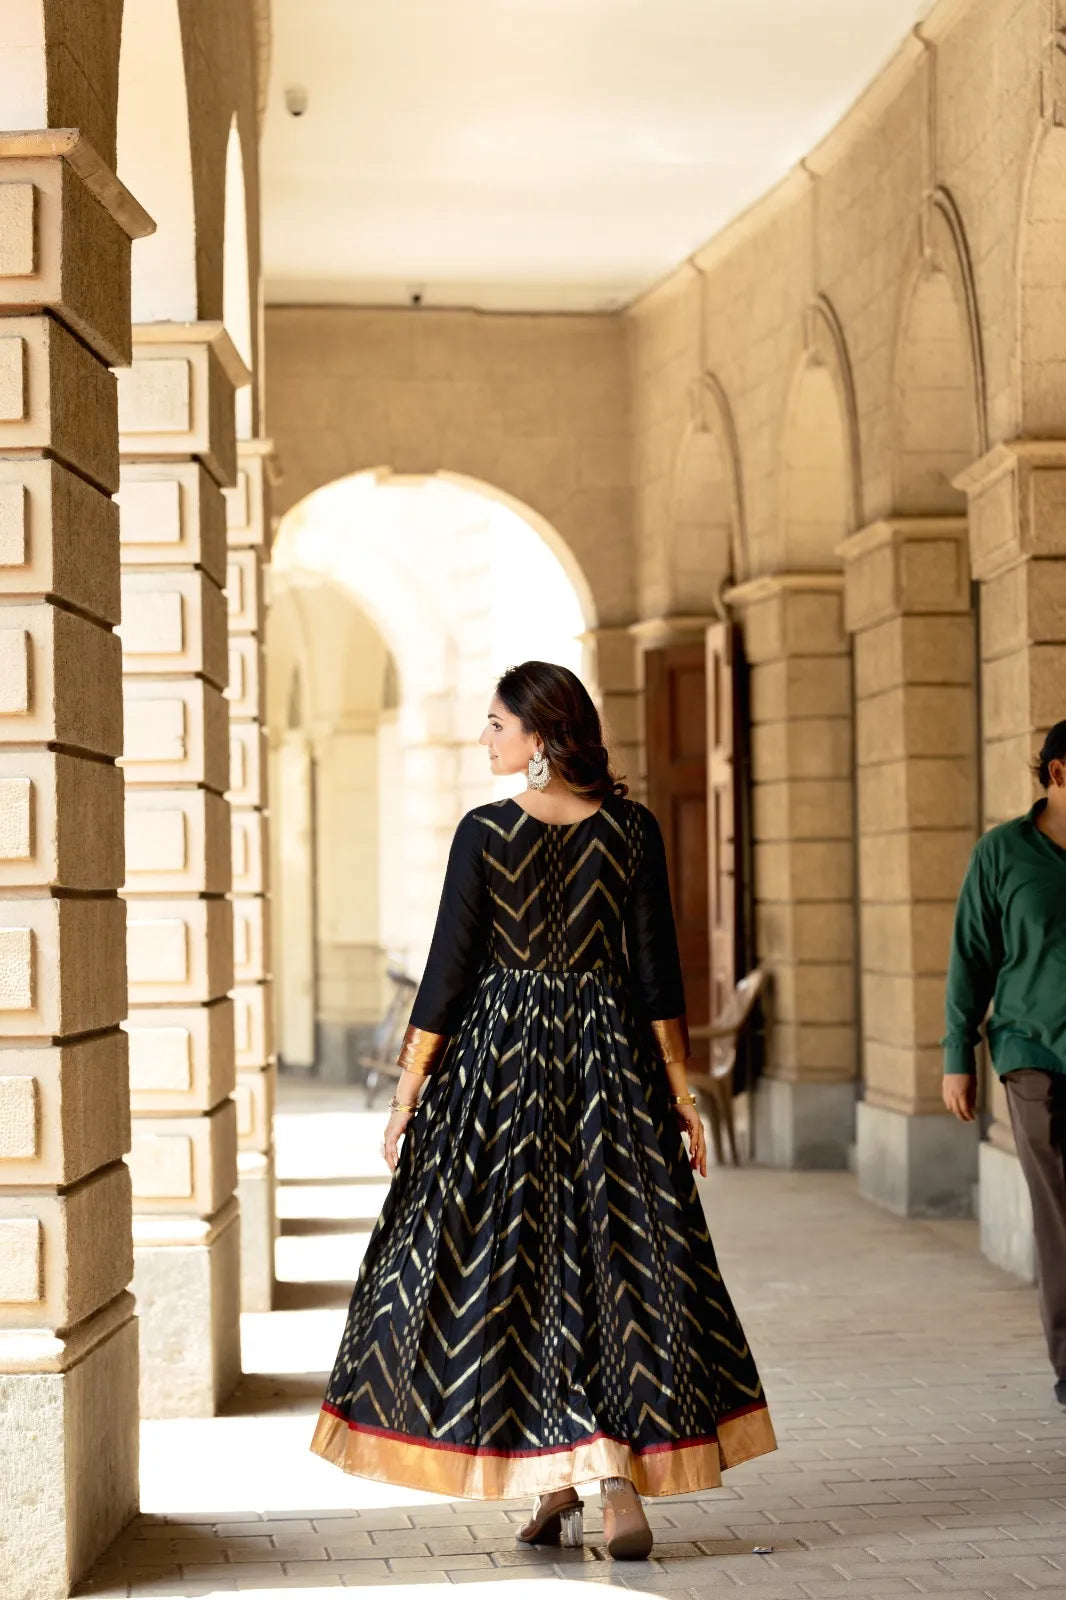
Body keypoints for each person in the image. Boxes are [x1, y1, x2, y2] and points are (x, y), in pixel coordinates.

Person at [311, 660, 776, 1558]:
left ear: (540, 735)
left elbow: (447, 975)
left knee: (512, 1269)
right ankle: (602, 1482)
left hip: (500, 1072)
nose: (484, 737)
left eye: (497, 724)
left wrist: (408, 1095)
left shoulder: (485, 833)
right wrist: (680, 1096)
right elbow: (656, 976)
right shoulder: (631, 830)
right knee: (619, 1263)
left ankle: (563, 1474)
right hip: (611, 1067)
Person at [943, 719, 1066, 1408]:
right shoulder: (1002, 854)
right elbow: (971, 957)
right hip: (1032, 1054)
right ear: (1058, 773)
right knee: (1059, 1212)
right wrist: (956, 1055)